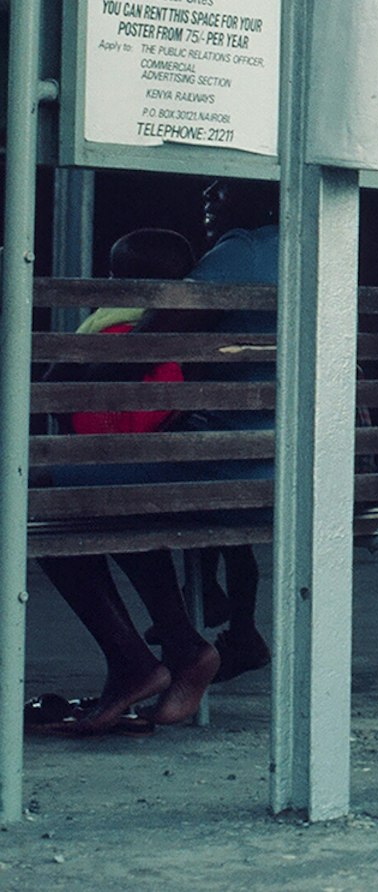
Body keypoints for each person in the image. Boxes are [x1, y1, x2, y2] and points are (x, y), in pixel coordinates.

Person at [31, 228, 223, 737]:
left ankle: (134, 660)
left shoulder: (110, 325)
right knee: (116, 501)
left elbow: (51, 389)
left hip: (138, 468)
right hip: (190, 466)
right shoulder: (174, 322)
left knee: (44, 502)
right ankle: (180, 645)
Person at [142, 178, 280, 680]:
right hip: (295, 460)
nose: (207, 194)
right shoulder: (313, 246)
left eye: (221, 188)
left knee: (121, 469)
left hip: (243, 462)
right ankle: (233, 623)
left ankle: (183, 621)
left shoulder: (241, 249)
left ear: (255, 196)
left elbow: (152, 333)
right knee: (208, 462)